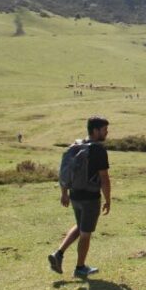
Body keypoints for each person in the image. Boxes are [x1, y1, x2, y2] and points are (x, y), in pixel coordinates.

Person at [48, 116, 111, 278]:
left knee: (80, 225)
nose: (106, 133)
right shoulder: (98, 150)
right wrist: (108, 199)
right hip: (90, 197)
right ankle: (80, 268)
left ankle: (58, 254)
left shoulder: (76, 146)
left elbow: (64, 171)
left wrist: (64, 193)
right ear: (95, 131)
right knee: (86, 233)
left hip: (74, 194)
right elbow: (104, 178)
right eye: (104, 130)